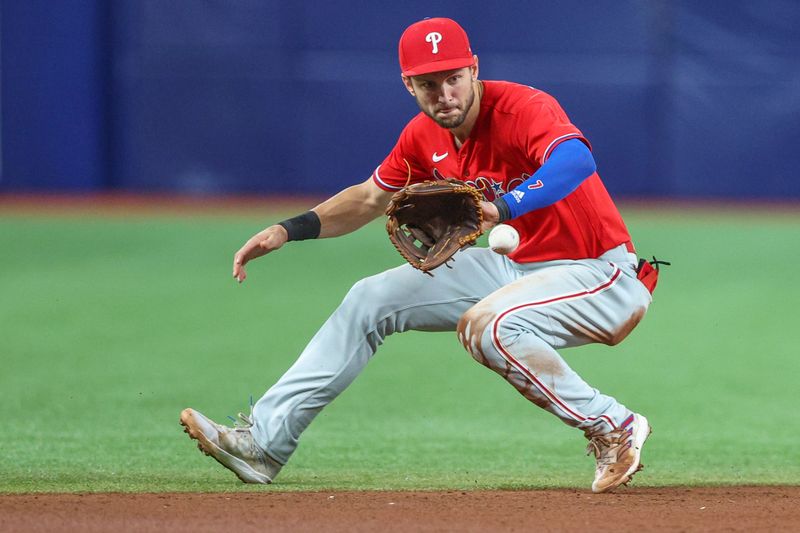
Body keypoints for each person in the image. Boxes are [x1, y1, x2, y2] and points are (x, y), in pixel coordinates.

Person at [181, 17, 656, 493]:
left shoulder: (522, 107)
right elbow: (368, 199)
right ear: (409, 84)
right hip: (515, 267)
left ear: (474, 69)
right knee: (371, 299)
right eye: (430, 84)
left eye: (454, 78)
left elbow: (576, 160)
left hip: (600, 272)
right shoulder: (422, 138)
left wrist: (506, 205)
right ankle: (264, 444)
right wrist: (289, 230)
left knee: (488, 325)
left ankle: (612, 424)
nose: (444, 94)